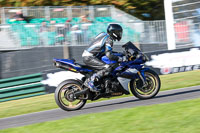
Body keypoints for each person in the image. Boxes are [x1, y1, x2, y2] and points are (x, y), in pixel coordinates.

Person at [82, 24, 126, 92]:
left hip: (90, 55)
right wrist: (120, 59)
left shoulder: (103, 34)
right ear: (114, 32)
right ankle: (91, 82)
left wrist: (119, 53)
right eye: (118, 32)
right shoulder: (109, 39)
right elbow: (109, 55)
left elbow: (105, 50)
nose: (120, 34)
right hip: (90, 57)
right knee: (107, 67)